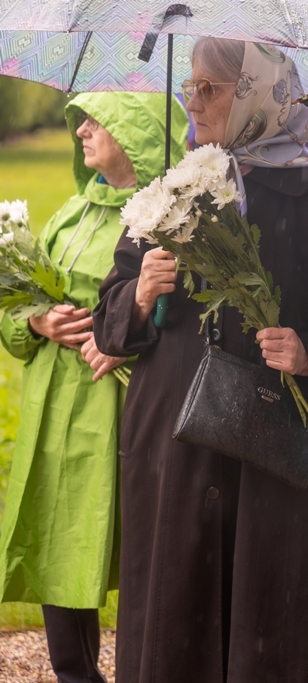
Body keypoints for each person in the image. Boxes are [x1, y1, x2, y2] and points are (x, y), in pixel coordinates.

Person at [92, 38, 308, 683]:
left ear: (257, 92)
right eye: (191, 87)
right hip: (172, 440)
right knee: (173, 603)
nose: (193, 103)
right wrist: (139, 294)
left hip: (272, 443)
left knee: (269, 604)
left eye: (212, 89)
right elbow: (109, 316)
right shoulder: (171, 190)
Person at [0, 92, 186, 683]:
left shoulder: (167, 224)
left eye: (95, 120)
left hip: (126, 409)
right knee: (61, 533)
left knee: (133, 545)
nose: (81, 130)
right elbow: (14, 309)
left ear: (134, 133)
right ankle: (74, 673)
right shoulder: (71, 215)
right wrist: (35, 320)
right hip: (54, 411)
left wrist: (123, 334)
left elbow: (183, 326)